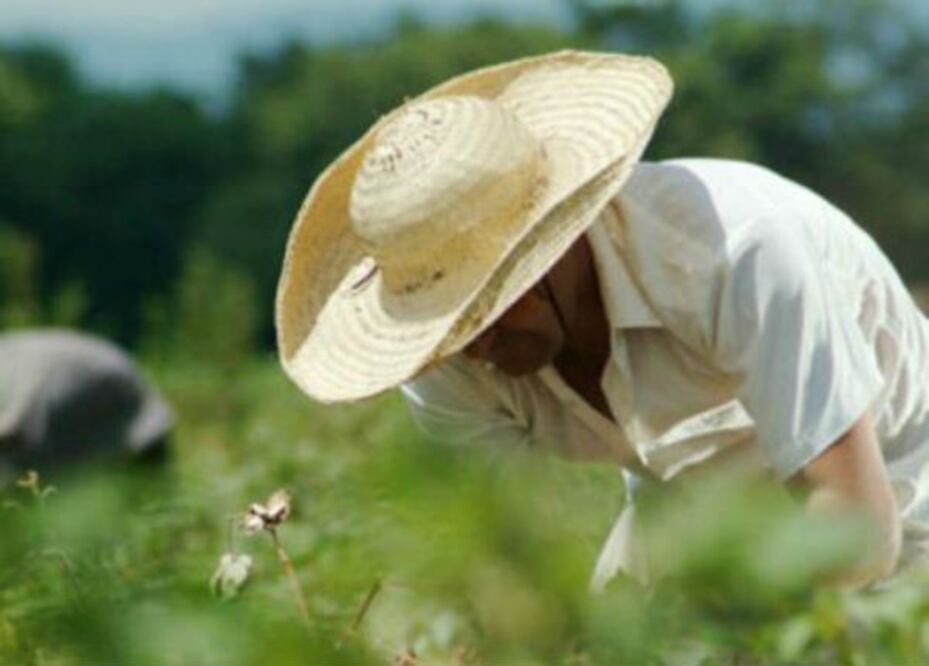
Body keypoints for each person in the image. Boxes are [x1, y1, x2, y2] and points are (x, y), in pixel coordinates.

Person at [274, 50, 929, 591]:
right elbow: (504, 564)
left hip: (898, 501)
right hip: (690, 510)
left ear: (552, 246)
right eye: (446, 328)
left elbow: (856, 535)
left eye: (482, 312)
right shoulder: (445, 361)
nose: (472, 349)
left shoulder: (739, 252)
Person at [0, 329, 174, 483]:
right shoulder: (13, 353)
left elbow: (15, 425)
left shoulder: (16, 364)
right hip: (130, 391)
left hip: (108, 395)